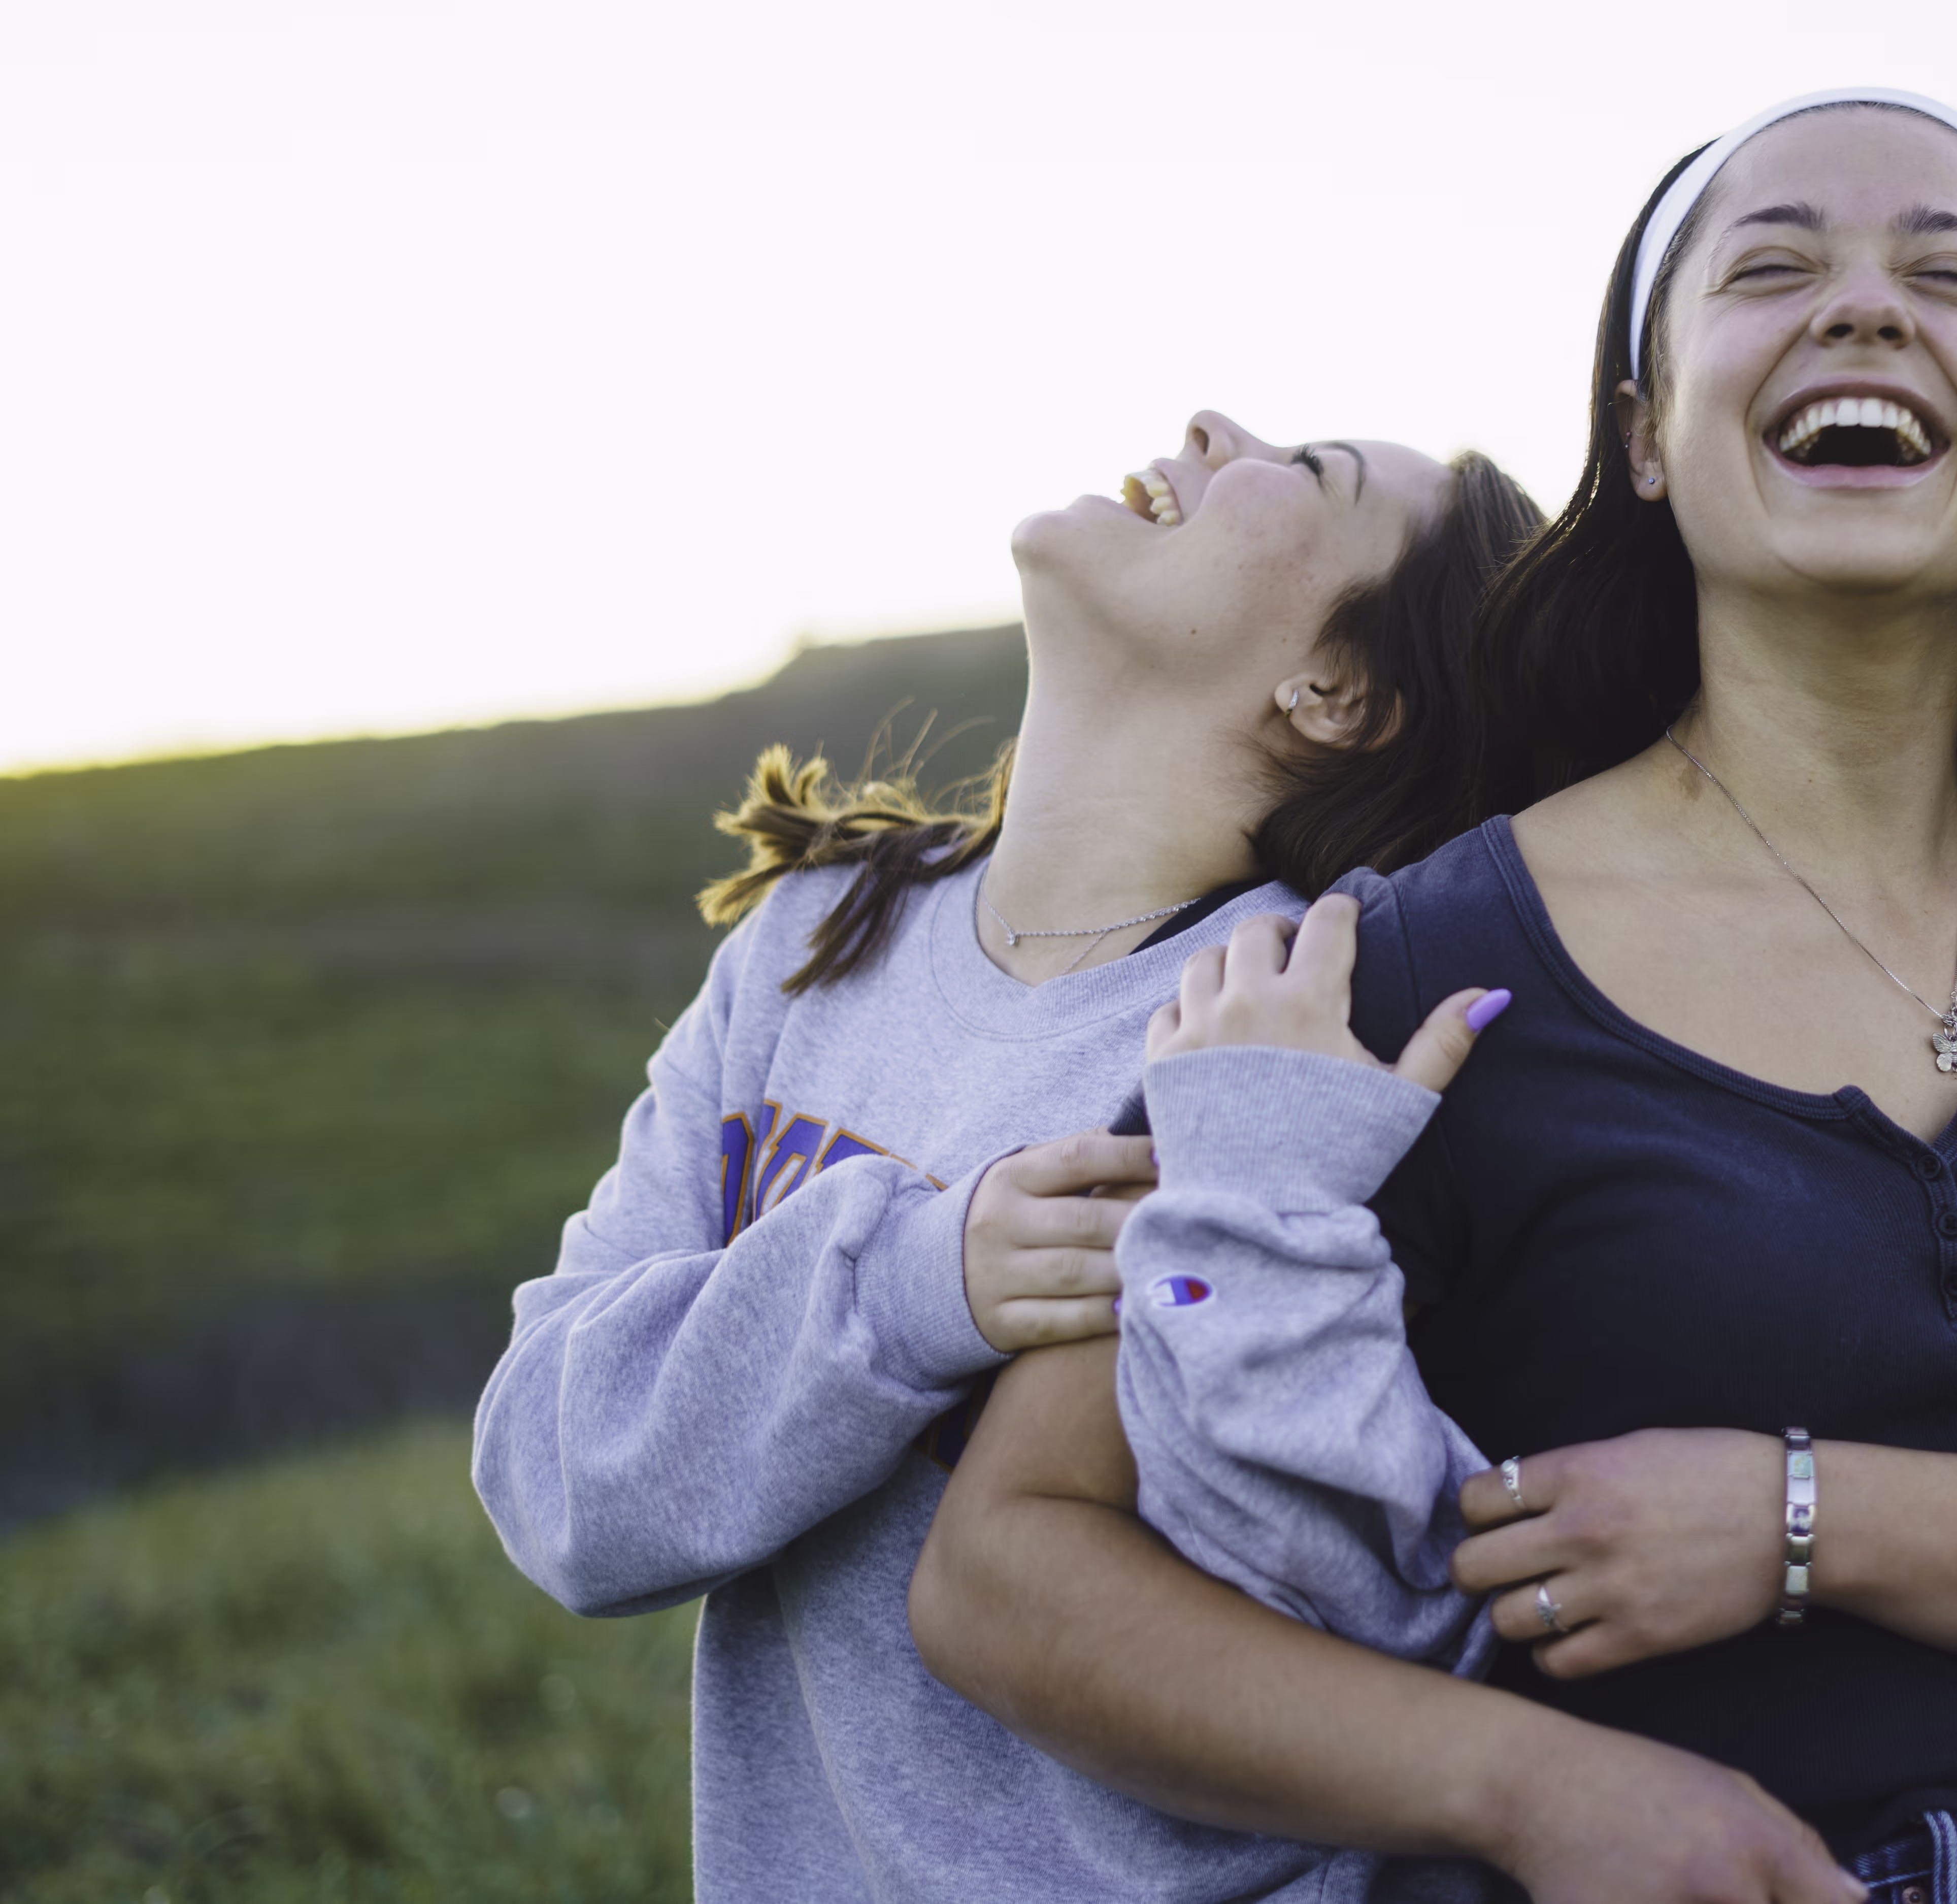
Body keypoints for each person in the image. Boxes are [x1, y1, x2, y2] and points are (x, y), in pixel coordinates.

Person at [912, 89, 1957, 1903]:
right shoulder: (1412, 960)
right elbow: (1010, 1567)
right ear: (1645, 435)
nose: (1865, 311)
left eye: (1950, 277)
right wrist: (1532, 1791)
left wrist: (1798, 1518)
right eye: (1771, 266)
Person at [469, 409, 1554, 1902]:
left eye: (1307, 471)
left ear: (1339, 688)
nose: (1210, 427)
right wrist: (917, 1284)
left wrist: (1264, 1181)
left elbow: (1355, 1624)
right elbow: (559, 1484)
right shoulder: (810, 940)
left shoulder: (1296, 1024)